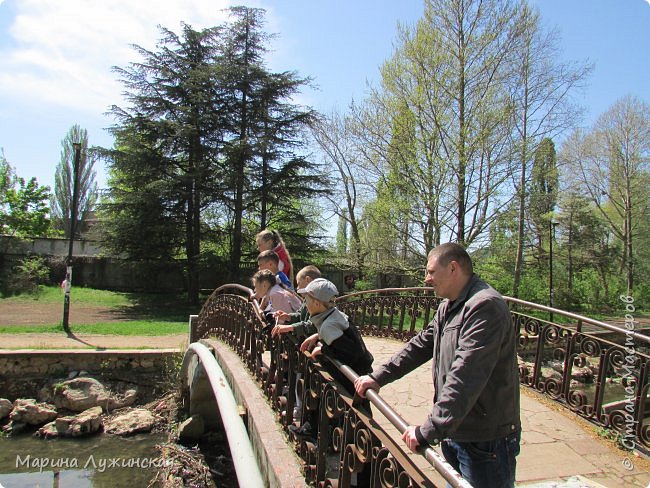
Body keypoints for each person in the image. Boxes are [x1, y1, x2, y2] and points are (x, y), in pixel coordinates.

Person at [354, 243, 521, 488]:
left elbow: (466, 375)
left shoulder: (484, 306)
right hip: (457, 430)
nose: (426, 279)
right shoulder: (449, 305)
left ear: (453, 268)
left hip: (486, 440)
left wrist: (429, 429)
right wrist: (378, 376)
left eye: (431, 272)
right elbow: (420, 345)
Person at [290, 278, 373, 441]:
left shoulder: (328, 326)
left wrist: (323, 348)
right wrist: (318, 335)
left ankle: (316, 431)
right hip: (360, 371)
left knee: (357, 415)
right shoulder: (333, 315)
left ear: (317, 304)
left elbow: (351, 351)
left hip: (352, 375)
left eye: (307, 300)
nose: (305, 304)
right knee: (361, 414)